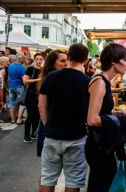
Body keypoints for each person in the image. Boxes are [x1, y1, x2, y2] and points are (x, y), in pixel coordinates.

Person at [38, 44, 90, 192]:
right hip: (76, 136)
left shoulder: (51, 77)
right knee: (73, 180)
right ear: (86, 60)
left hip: (52, 135)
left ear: (68, 57)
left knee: (47, 178)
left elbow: (41, 106)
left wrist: (48, 126)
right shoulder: (87, 81)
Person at [86, 43, 126, 192]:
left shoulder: (104, 81)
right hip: (97, 146)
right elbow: (92, 119)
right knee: (101, 184)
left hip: (101, 143)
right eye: (125, 60)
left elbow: (101, 112)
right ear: (113, 61)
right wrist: (121, 121)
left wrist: (118, 113)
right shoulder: (100, 82)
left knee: (103, 182)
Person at [36, 50, 67, 157]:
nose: (66, 63)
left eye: (67, 60)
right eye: (62, 61)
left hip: (54, 125)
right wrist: (46, 126)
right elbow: (41, 105)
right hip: (51, 124)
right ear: (52, 63)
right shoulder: (52, 78)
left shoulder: (57, 77)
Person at [22, 53, 43, 143]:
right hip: (31, 94)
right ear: (34, 60)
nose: (39, 61)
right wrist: (37, 80)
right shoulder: (30, 69)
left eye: (40, 59)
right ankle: (26, 136)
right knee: (30, 115)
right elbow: (25, 80)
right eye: (37, 59)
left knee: (37, 115)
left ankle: (34, 134)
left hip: (39, 95)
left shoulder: (43, 69)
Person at [7, 53, 26, 124]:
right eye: (23, 58)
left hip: (11, 86)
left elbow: (8, 76)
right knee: (22, 103)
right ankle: (18, 119)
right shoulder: (22, 67)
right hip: (19, 86)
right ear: (20, 59)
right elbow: (24, 79)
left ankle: (12, 120)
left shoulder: (10, 65)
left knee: (11, 103)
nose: (24, 59)